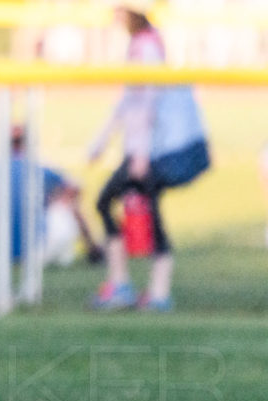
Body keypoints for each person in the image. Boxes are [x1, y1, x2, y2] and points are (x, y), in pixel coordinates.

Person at [87, 3, 210, 311]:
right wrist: (102, 140)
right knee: (142, 207)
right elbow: (131, 99)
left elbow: (147, 102)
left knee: (111, 202)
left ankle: (132, 287)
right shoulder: (145, 43)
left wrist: (139, 153)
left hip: (162, 148)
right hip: (157, 147)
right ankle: (147, 290)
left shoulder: (146, 47)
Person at [0, 125, 104, 268]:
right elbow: (75, 188)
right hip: (33, 251)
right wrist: (51, 199)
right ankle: (94, 251)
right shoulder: (38, 167)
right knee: (68, 203)